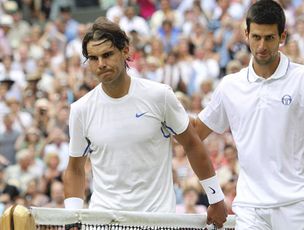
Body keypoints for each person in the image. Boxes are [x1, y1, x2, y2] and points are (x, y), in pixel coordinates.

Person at [63, 17, 227, 228]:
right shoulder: (80, 109)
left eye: (107, 54)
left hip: (157, 221)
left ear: (125, 51)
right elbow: (75, 169)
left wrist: (215, 197)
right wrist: (72, 217)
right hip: (104, 223)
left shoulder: (160, 96)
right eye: (93, 58)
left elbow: (192, 143)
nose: (101, 64)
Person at [193, 1, 304, 229]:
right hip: (250, 209)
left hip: (297, 206)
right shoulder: (230, 85)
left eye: (269, 38)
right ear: (246, 35)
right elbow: (194, 133)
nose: (261, 46)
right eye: (256, 37)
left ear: (282, 36)